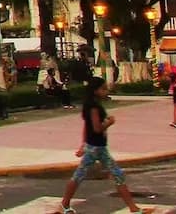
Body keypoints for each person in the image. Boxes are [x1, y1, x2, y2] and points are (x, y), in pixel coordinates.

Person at [59, 76, 154, 214]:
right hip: (96, 148)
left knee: (90, 175)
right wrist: (109, 122)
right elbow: (97, 128)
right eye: (103, 89)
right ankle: (65, 204)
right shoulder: (94, 107)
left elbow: (88, 127)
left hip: (96, 147)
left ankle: (65, 203)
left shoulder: (91, 105)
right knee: (110, 175)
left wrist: (83, 144)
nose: (106, 91)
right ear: (96, 91)